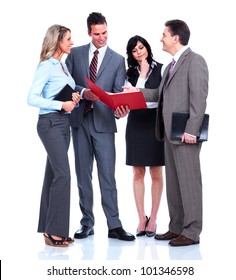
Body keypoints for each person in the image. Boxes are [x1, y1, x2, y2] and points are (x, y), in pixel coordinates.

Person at [123, 19, 209, 246]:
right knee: (174, 182)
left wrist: (192, 130)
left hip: (185, 134)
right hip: (169, 133)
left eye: (164, 35)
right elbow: (157, 95)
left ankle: (191, 232)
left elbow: (199, 99)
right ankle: (176, 227)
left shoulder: (195, 61)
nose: (161, 38)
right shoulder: (171, 66)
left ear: (175, 38)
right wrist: (135, 92)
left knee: (189, 182)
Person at [65, 12, 135, 241]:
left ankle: (114, 225)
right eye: (97, 34)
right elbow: (65, 83)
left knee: (108, 176)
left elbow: (116, 92)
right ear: (89, 33)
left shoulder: (117, 60)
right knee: (83, 175)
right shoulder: (74, 54)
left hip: (104, 124)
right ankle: (87, 223)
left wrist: (120, 110)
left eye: (105, 33)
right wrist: (84, 92)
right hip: (80, 122)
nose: (102, 37)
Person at [27, 24, 80, 247]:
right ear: (58, 41)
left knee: (53, 175)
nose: (72, 42)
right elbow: (32, 98)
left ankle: (49, 228)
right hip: (49, 124)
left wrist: (73, 99)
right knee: (63, 175)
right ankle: (55, 232)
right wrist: (61, 104)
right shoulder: (46, 66)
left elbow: (63, 95)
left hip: (62, 123)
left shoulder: (63, 67)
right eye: (68, 39)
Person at [125, 35, 164, 237]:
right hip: (136, 123)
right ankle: (141, 219)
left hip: (155, 122)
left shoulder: (163, 68)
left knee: (156, 173)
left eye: (141, 47)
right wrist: (143, 74)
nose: (139, 52)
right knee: (137, 172)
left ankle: (154, 219)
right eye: (134, 50)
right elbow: (131, 100)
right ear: (131, 54)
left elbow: (159, 96)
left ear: (147, 48)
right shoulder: (129, 73)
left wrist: (148, 75)